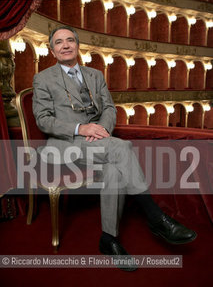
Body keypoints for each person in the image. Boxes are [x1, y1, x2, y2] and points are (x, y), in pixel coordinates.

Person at [33, 26, 197, 271]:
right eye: (59, 42)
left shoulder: (96, 75)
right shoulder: (43, 78)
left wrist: (102, 130)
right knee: (122, 148)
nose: (65, 45)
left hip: (100, 141)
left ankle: (108, 239)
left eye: (70, 40)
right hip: (63, 145)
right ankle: (155, 217)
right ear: (52, 50)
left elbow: (109, 108)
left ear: (77, 46)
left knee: (113, 170)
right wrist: (82, 128)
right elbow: (43, 119)